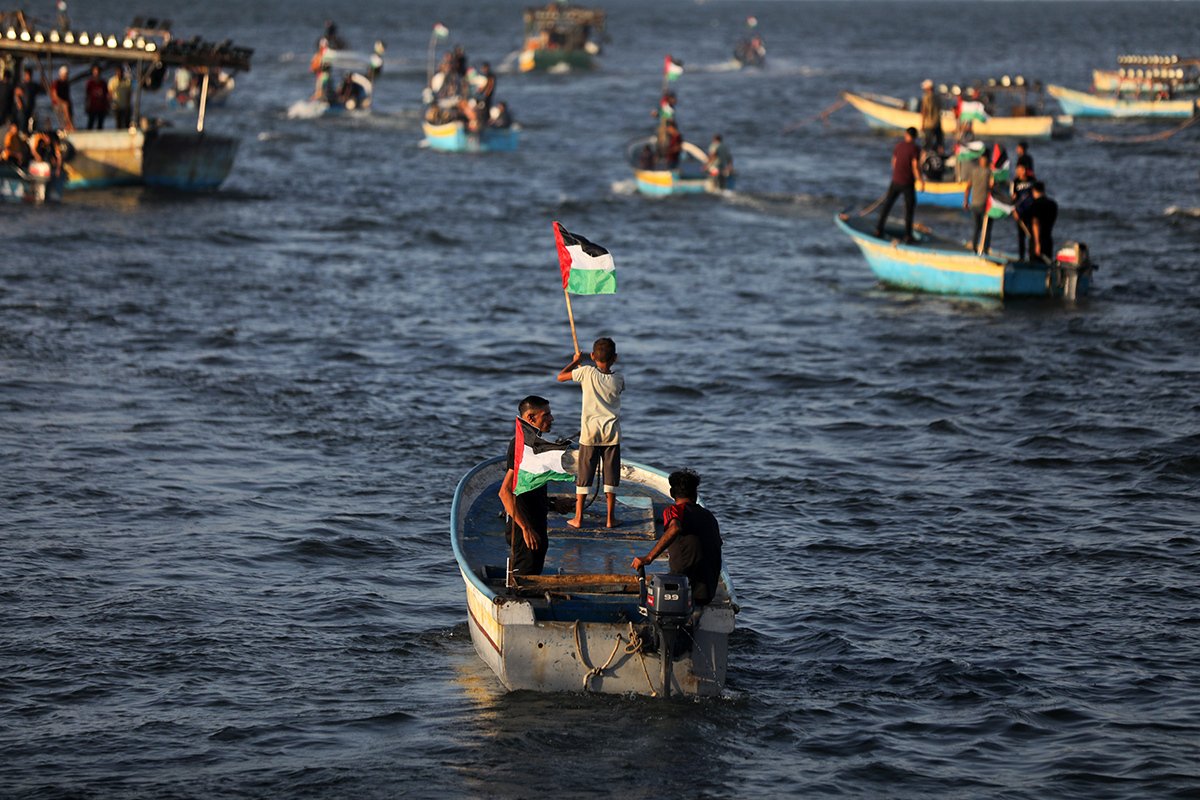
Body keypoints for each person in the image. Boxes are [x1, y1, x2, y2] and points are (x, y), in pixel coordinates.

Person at [498, 396, 573, 577]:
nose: (551, 419)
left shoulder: (532, 444)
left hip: (535, 524)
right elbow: (505, 492)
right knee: (523, 579)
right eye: (546, 415)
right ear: (531, 418)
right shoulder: (520, 445)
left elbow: (526, 488)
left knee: (533, 574)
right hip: (524, 530)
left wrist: (553, 504)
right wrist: (525, 528)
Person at [557, 337, 625, 530]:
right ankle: (611, 519)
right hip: (611, 434)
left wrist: (575, 361)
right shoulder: (619, 379)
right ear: (615, 358)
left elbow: (560, 376)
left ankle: (578, 518)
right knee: (611, 478)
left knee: (584, 475)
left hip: (589, 434)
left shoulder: (586, 372)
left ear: (593, 356)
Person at [631, 469, 723, 607]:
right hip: (708, 592)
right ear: (695, 494)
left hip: (685, 589)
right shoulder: (709, 516)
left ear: (672, 494)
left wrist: (649, 558)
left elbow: (675, 528)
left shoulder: (674, 510)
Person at [874, 127, 923, 243]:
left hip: (895, 181)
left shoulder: (899, 146)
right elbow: (915, 166)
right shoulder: (915, 148)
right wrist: (920, 180)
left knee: (887, 206)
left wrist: (898, 173)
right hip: (907, 183)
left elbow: (894, 162)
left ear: (906, 135)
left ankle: (878, 229)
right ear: (915, 137)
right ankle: (908, 236)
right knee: (909, 209)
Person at [964, 150, 993, 253]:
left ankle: (974, 247)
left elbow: (967, 187)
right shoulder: (989, 172)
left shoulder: (974, 171)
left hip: (974, 204)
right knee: (987, 228)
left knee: (976, 227)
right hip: (985, 205)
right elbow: (992, 186)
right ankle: (985, 249)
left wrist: (966, 201)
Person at [1009, 162, 1036, 260]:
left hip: (1031, 211)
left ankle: (1032, 257)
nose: (1023, 172)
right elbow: (1011, 199)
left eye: (1024, 169)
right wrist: (1014, 211)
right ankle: (1021, 257)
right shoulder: (1015, 182)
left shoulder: (1032, 180)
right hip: (1020, 213)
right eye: (1020, 170)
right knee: (1021, 237)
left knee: (1032, 235)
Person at [1027, 181, 1058, 263]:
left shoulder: (1035, 205)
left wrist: (1037, 243)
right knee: (1046, 265)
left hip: (1037, 241)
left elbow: (1035, 224)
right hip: (1048, 239)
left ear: (1034, 190)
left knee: (1036, 266)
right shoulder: (1053, 204)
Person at [919, 79, 943, 151]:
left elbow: (924, 111)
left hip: (929, 124)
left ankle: (926, 159)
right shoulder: (937, 97)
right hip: (937, 123)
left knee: (927, 145)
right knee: (939, 143)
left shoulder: (926, 97)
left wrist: (922, 125)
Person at [83, 65, 109, 130]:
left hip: (101, 107)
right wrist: (86, 106)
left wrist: (107, 106)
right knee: (90, 124)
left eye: (97, 72)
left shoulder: (103, 83)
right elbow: (87, 95)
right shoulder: (90, 83)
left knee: (100, 125)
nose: (96, 73)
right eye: (95, 72)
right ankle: (87, 137)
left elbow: (106, 95)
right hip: (92, 107)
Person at [15, 67, 39, 132]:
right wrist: (19, 103)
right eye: (27, 74)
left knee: (30, 124)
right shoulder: (22, 84)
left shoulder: (33, 85)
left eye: (30, 74)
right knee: (22, 123)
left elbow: (40, 89)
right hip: (23, 107)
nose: (28, 76)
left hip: (30, 108)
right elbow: (16, 93)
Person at [50, 65, 74, 130]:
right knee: (65, 105)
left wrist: (68, 102)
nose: (66, 76)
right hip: (57, 104)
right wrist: (63, 102)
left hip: (64, 104)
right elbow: (55, 96)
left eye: (67, 74)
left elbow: (68, 96)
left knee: (68, 105)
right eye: (65, 74)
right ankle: (69, 125)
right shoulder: (56, 83)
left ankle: (70, 125)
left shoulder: (66, 84)